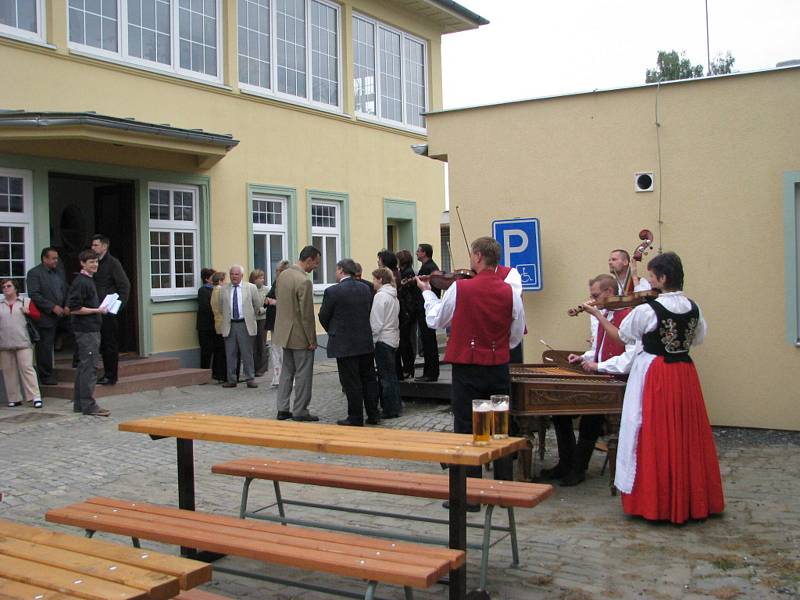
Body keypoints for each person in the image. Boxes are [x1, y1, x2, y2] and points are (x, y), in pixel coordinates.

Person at [583, 252, 724, 523]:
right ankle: (691, 498)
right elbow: (698, 338)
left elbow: (621, 336)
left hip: (655, 372)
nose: (647, 282)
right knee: (686, 431)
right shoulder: (694, 307)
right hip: (684, 372)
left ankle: (655, 501)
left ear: (662, 278)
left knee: (649, 430)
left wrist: (598, 316)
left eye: (651, 276)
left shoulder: (647, 310)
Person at [417, 236, 525, 489]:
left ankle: (471, 492)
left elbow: (436, 320)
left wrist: (427, 294)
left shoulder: (460, 288)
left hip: (467, 366)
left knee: (467, 426)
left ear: (478, 257)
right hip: (498, 365)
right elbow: (516, 334)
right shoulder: (511, 291)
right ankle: (502, 488)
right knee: (500, 427)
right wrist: (496, 347)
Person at [540, 274, 634, 486]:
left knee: (590, 419)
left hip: (617, 383)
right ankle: (566, 463)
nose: (591, 299)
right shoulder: (603, 315)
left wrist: (598, 366)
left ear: (609, 293)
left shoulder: (627, 316)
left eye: (595, 295)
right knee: (560, 411)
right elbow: (600, 349)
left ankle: (578, 469)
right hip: (602, 378)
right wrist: (585, 357)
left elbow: (628, 357)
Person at [319, 259, 379, 426]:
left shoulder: (333, 291)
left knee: (351, 382)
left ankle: (355, 416)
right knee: (368, 379)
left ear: (341, 270)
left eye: (336, 269)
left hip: (344, 343)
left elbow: (324, 315)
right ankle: (373, 414)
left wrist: (333, 330)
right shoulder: (366, 288)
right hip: (364, 340)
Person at [273, 246, 321, 421]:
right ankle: (300, 410)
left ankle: (282, 408)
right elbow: (306, 314)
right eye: (315, 264)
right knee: (303, 374)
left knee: (286, 372)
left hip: (284, 333)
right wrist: (312, 339)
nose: (315, 268)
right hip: (300, 335)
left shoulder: (283, 275)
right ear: (308, 260)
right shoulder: (304, 281)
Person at [66, 250, 110, 416]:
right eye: (91, 262)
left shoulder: (88, 280)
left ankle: (80, 403)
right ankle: (89, 404)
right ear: (83, 263)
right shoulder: (81, 282)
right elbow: (74, 308)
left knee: (84, 366)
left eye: (96, 262)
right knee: (89, 367)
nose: (95, 265)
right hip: (86, 330)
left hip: (90, 328)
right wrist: (96, 310)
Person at [90, 234, 131, 385]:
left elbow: (124, 286)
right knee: (97, 342)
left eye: (96, 245)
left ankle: (111, 375)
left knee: (109, 343)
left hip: (108, 310)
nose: (93, 248)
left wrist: (117, 307)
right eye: (92, 245)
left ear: (104, 246)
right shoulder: (94, 262)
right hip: (94, 309)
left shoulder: (113, 263)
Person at [26, 247, 69, 385]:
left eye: (57, 258)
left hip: (63, 313)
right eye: (53, 258)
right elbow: (34, 294)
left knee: (75, 333)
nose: (56, 261)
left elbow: (66, 290)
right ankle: (46, 375)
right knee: (45, 346)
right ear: (45, 258)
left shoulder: (60, 273)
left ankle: (77, 363)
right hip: (45, 316)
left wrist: (67, 305)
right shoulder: (34, 273)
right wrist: (52, 307)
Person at [218, 265, 262, 389]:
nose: (234, 276)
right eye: (232, 274)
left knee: (247, 353)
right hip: (230, 324)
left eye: (237, 274)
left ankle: (250, 378)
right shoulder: (224, 289)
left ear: (242, 276)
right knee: (230, 353)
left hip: (245, 324)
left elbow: (257, 305)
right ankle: (231, 379)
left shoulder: (250, 288)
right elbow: (221, 307)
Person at [0, 279, 42, 408]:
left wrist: (29, 312)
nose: (6, 288)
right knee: (8, 371)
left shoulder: (25, 301)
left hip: (23, 341)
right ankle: (14, 398)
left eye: (9, 286)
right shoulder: (1, 304)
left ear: (15, 288)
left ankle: (35, 397)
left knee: (27, 368)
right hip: (5, 342)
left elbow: (37, 316)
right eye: (3, 287)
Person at [370, 267, 402, 419]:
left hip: (383, 339)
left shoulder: (380, 297)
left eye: (374, 279)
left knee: (385, 377)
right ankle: (396, 405)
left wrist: (372, 340)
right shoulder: (394, 296)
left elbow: (376, 322)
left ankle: (389, 409)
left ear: (380, 280)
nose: (373, 283)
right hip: (393, 338)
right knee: (392, 376)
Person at [415, 243, 440, 382]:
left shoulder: (429, 268)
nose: (416, 253)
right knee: (428, 341)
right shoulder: (429, 267)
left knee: (428, 341)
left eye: (418, 251)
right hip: (426, 306)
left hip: (427, 307)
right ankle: (430, 372)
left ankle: (430, 373)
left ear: (424, 253)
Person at [395, 249, 419, 380]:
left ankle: (408, 368)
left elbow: (407, 295)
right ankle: (408, 368)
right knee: (406, 341)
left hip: (407, 311)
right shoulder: (406, 271)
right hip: (408, 310)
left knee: (406, 342)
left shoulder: (407, 273)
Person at [265, 260, 289, 387]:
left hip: (283, 321)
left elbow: (289, 303)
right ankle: (276, 377)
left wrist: (274, 302)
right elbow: (268, 297)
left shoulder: (287, 284)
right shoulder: (276, 283)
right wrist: (268, 300)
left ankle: (286, 377)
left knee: (283, 351)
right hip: (273, 321)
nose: (276, 273)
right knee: (275, 350)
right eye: (276, 271)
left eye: (278, 271)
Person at [196, 268, 216, 372]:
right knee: (206, 350)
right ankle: (204, 372)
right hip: (205, 326)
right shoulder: (203, 290)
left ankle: (214, 372)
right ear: (207, 279)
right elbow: (206, 307)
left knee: (215, 350)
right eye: (213, 277)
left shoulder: (215, 289)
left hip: (214, 325)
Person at [250, 269, 269, 377]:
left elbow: (269, 304)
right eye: (259, 278)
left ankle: (262, 368)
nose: (262, 280)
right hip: (252, 319)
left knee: (261, 342)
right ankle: (254, 366)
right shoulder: (250, 289)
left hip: (262, 318)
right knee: (253, 344)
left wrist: (262, 310)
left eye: (262, 278)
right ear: (254, 279)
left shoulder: (266, 289)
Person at [209, 271, 228, 383]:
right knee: (223, 351)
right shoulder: (220, 290)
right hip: (223, 323)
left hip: (217, 322)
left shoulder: (213, 291)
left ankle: (217, 373)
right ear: (221, 281)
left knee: (219, 350)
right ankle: (222, 374)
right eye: (225, 280)